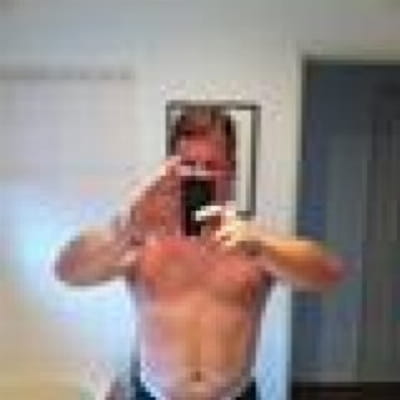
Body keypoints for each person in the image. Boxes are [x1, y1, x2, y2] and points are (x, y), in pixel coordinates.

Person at [54, 107, 343, 400]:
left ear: (232, 169)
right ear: (172, 168)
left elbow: (330, 274)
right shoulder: (141, 240)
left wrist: (261, 246)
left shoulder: (253, 243)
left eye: (211, 165)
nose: (200, 175)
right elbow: (67, 272)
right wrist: (124, 229)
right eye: (189, 165)